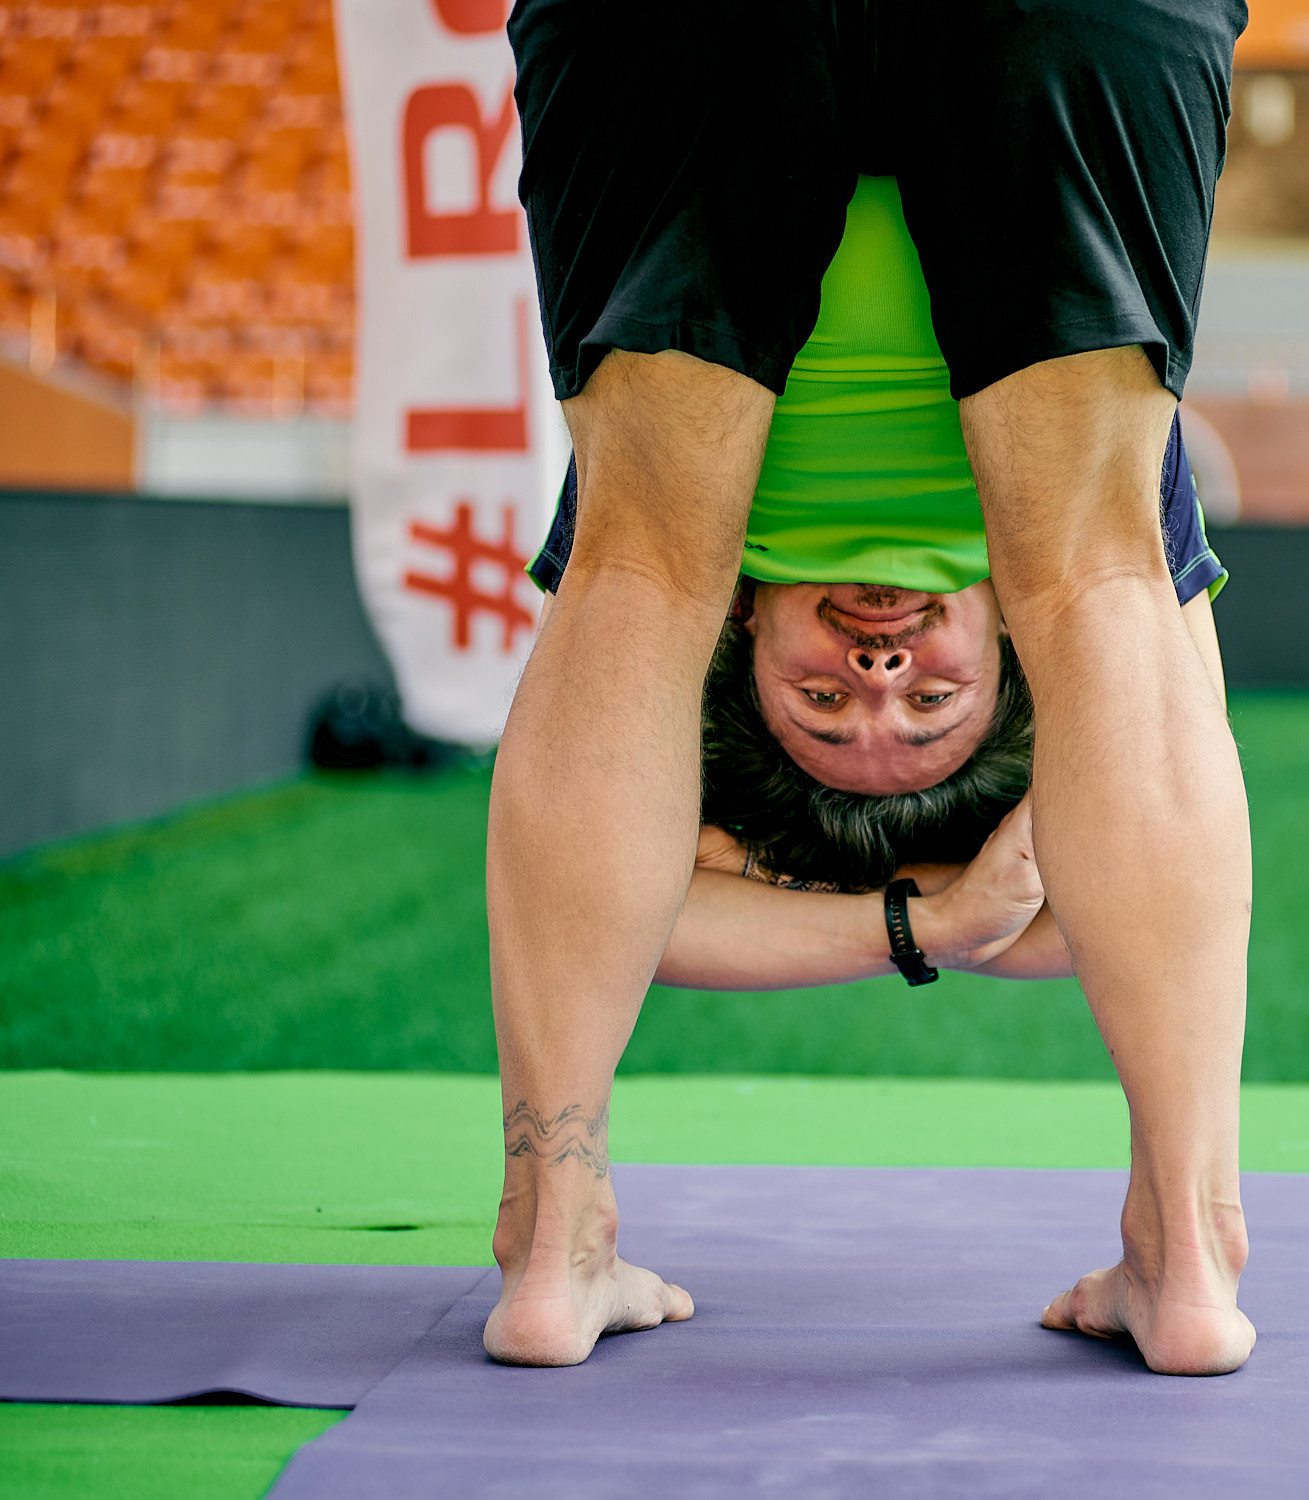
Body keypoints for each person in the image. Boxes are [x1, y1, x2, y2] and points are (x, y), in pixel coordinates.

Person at [487, 1, 1255, 1379]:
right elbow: (1168, 737)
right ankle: (1190, 1261)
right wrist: (973, 909)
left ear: (744, 670)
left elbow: (660, 886)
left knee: (636, 583)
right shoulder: (1105, 564)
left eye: (826, 714)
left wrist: (926, 913)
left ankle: (550, 1246)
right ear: (1007, 692)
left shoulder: (701, 584)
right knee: (1106, 593)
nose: (882, 672)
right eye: (928, 713)